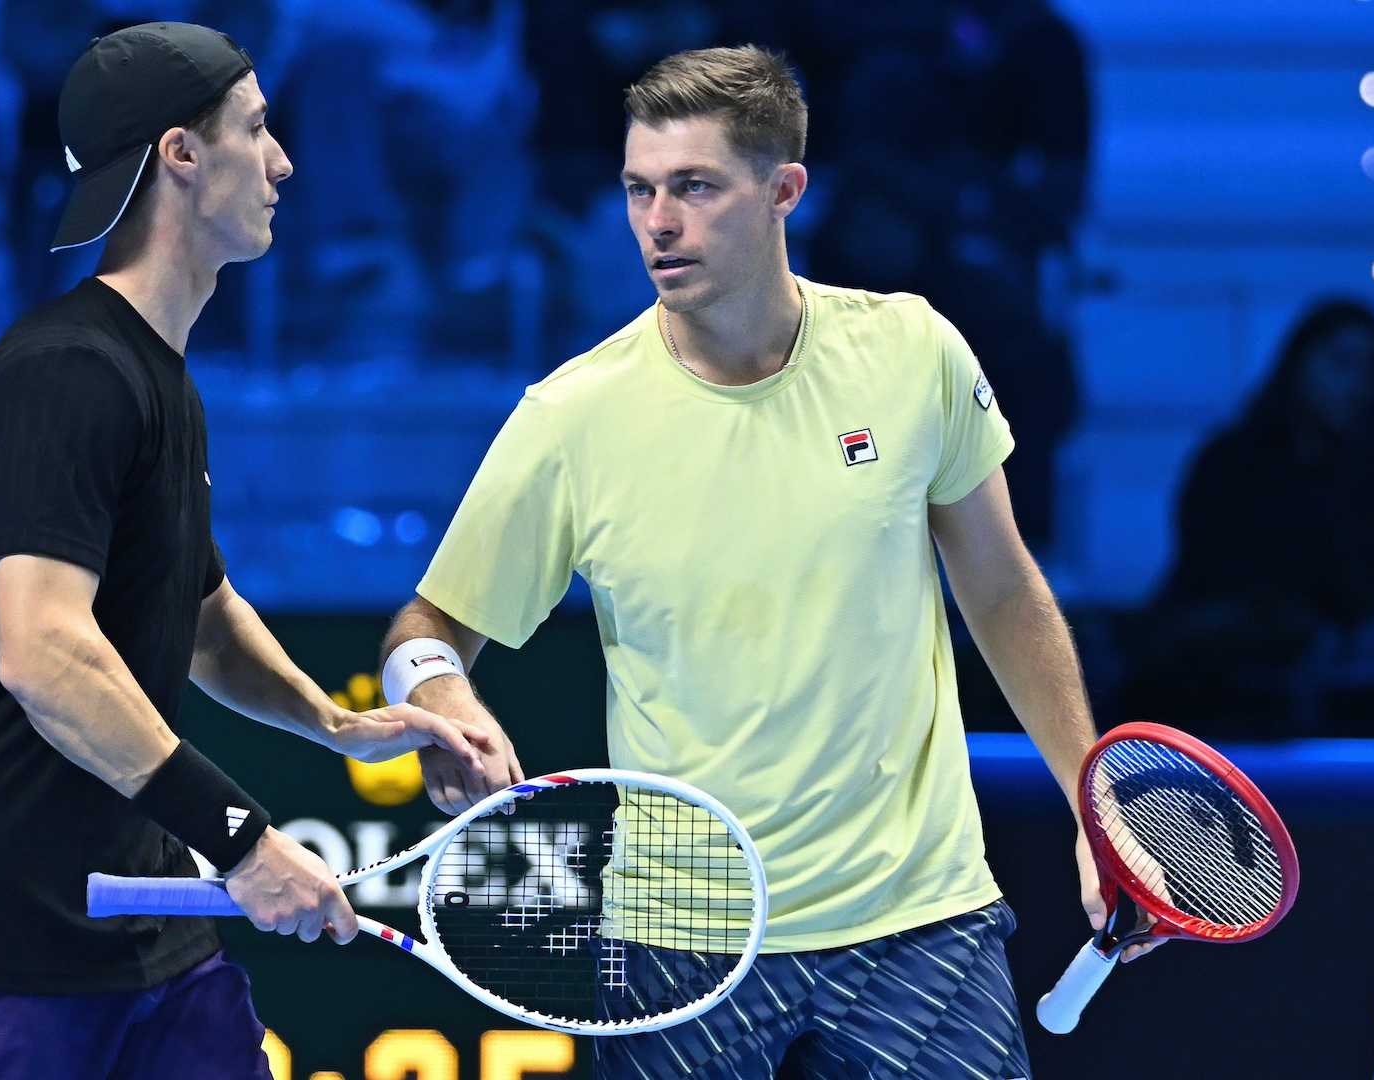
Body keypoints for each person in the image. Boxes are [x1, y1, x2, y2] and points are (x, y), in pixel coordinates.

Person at [380, 46, 1142, 1077]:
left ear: (785, 191)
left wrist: (1091, 801)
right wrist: (440, 694)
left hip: (916, 919)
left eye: (695, 187)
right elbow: (427, 628)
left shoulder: (911, 352)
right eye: (640, 190)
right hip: (680, 936)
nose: (658, 222)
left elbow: (1003, 591)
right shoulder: (571, 417)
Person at [0, 23, 489, 1079]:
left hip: (144, 934)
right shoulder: (61, 374)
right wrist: (239, 837)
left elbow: (198, 610)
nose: (283, 162)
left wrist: (334, 724)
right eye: (257, 128)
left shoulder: (160, 382)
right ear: (181, 154)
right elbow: (43, 654)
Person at [1126, 298, 1374, 734]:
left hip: (1336, 690)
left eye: (1371, 368)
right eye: (1341, 362)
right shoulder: (1233, 461)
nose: (1357, 384)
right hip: (1219, 678)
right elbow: (1207, 565)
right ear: (1299, 364)